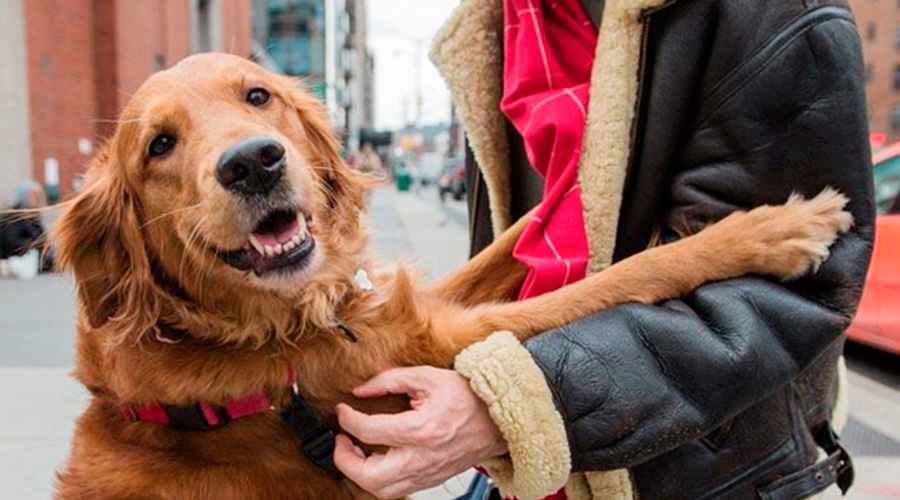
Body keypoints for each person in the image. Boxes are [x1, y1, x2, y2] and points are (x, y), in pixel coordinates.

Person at [333, 1, 874, 500]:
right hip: (525, 475)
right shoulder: (494, 30)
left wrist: (508, 406)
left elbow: (800, 279)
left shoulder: (767, 11)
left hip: (710, 480)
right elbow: (528, 260)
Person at [0, 181, 53, 273]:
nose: (37, 200)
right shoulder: (14, 217)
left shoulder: (35, 217)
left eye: (38, 196)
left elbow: (42, 238)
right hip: (18, 258)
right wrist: (31, 245)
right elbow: (10, 240)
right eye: (33, 196)